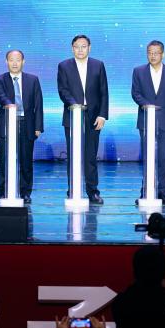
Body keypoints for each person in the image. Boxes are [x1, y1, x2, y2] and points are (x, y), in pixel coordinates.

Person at [57, 35, 109, 204]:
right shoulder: (64, 66)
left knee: (90, 156)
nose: (80, 49)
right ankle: (72, 188)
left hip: (93, 117)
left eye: (83, 46)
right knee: (73, 155)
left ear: (89, 48)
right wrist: (75, 105)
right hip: (72, 114)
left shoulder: (98, 65)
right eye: (77, 46)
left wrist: (102, 115)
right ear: (72, 48)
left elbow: (104, 92)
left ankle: (92, 191)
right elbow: (63, 90)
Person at [131, 40, 165, 205]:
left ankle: (162, 193)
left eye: (156, 53)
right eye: (150, 53)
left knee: (164, 159)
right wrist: (146, 105)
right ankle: (145, 192)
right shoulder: (138, 71)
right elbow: (135, 93)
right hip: (146, 121)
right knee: (147, 157)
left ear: (162, 54)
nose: (152, 56)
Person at [0, 50, 44, 203]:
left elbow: (38, 104)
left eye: (18, 60)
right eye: (11, 60)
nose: (14, 63)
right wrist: (9, 104)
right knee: (5, 161)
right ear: (6, 62)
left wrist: (38, 126)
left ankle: (25, 193)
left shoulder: (33, 80)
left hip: (26, 124)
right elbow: (0, 96)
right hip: (6, 124)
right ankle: (4, 192)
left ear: (23, 62)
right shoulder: (0, 79)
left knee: (26, 161)